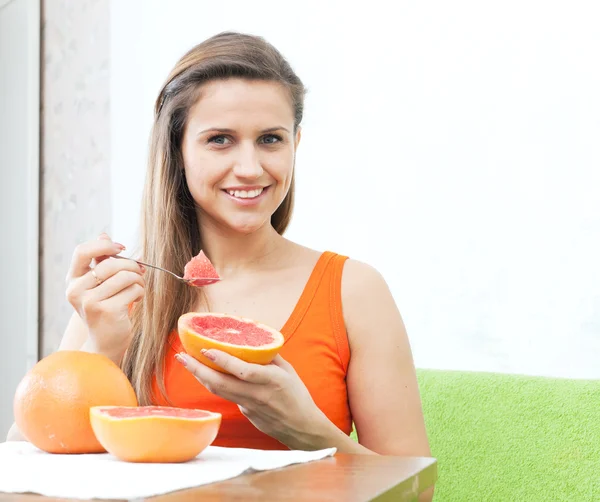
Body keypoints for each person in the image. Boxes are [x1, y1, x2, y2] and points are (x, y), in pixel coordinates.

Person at [8, 30, 431, 490]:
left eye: (270, 139)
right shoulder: (121, 292)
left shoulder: (354, 289)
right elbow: (27, 462)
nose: (250, 167)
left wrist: (310, 432)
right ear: (178, 150)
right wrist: (103, 350)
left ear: (296, 143)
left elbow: (419, 490)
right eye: (220, 140)